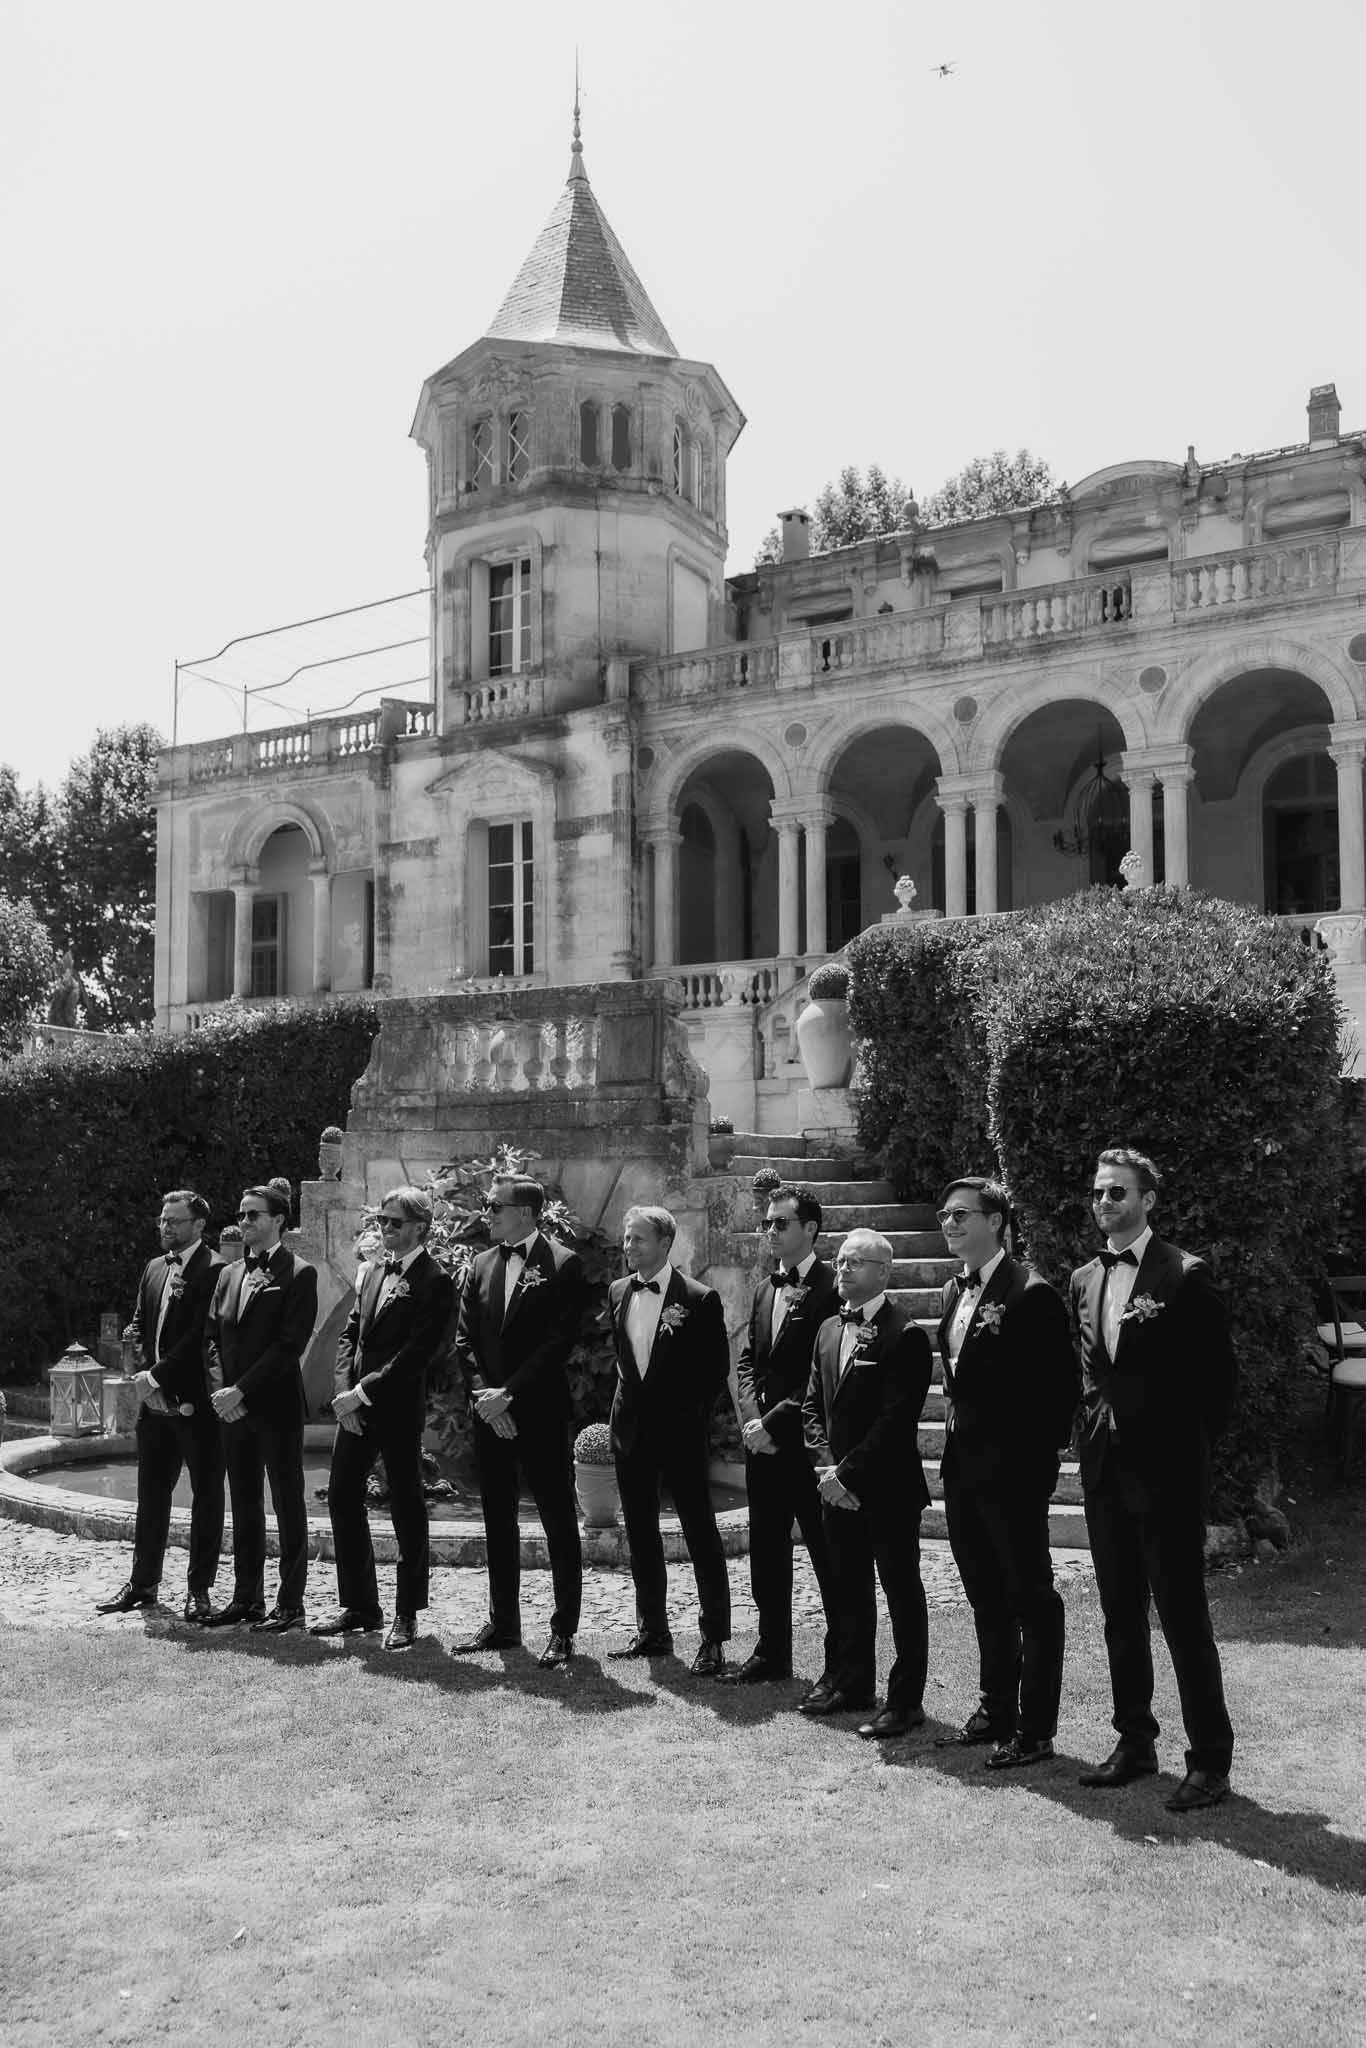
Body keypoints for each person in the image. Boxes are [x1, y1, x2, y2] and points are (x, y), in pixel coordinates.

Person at [1070, 1148, 1238, 1813]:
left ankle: (1210, 1761)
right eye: (1098, 1193)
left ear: (1148, 1200)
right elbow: (1091, 1372)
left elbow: (1218, 1384)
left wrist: (1184, 1453)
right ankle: (1134, 1741)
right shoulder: (1084, 1278)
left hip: (1167, 1476)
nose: (1104, 1202)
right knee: (1119, 1613)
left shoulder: (1186, 1276)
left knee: (1182, 1618)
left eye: (1118, 1192)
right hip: (1104, 1472)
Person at [934, 1176, 1078, 1767]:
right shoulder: (953, 1289)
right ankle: (997, 1708)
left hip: (1014, 1475)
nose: (949, 1223)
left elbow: (1059, 1392)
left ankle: (1036, 1729)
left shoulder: (1031, 1293)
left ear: (995, 1221)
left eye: (961, 1214)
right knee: (984, 1594)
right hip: (964, 1470)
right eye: (944, 1215)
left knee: (1030, 1597)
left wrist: (1032, 1470)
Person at [800, 1228, 932, 1738]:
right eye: (840, 1261)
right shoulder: (828, 1328)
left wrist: (847, 1474)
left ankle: (905, 1702)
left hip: (888, 1489)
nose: (843, 1269)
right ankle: (853, 1683)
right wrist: (825, 1469)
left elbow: (896, 1420)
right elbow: (813, 1407)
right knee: (848, 1589)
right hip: (835, 1487)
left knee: (902, 1593)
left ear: (883, 1271)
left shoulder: (906, 1333)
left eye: (855, 1262)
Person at [312, 1186, 455, 1652]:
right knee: (341, 1497)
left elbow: (418, 1353)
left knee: (406, 1505)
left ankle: (406, 1613)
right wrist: (343, 1393)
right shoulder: (372, 1271)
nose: (385, 1229)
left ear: (420, 1227)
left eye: (394, 1222)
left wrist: (362, 1393)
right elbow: (350, 1334)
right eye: (381, 1221)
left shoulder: (436, 1281)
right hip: (354, 1407)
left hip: (395, 1406)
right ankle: (360, 1606)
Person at [452, 1175, 585, 1667]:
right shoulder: (481, 1264)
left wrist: (509, 1395)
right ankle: (504, 1624)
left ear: (525, 1214)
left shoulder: (564, 1264)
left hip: (539, 1413)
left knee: (557, 1521)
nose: (486, 1213)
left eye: (494, 1206)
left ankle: (564, 1630)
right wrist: (486, 1398)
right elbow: (464, 1340)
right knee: (497, 1519)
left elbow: (558, 1342)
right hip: (489, 1415)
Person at [606, 1204, 732, 1674]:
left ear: (665, 1243)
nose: (629, 1246)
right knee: (641, 1534)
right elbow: (624, 1359)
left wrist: (684, 1418)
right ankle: (653, 1631)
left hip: (680, 1434)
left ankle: (713, 1638)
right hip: (631, 1434)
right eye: (627, 1237)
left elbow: (714, 1371)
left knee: (700, 1533)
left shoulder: (699, 1298)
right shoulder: (618, 1290)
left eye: (638, 1238)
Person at [95, 1189, 224, 1623]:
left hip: (196, 1405)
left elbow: (200, 1337)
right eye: (163, 1220)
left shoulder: (216, 1269)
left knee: (207, 1498)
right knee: (150, 1497)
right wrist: (140, 1372)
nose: (166, 1227)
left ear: (198, 1225)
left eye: (174, 1221)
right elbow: (139, 1324)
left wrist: (156, 1378)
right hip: (153, 1406)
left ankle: (199, 1590)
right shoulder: (153, 1267)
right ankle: (142, 1584)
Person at [733, 1183, 839, 1685]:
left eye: (781, 1223)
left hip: (807, 1447)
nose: (770, 1231)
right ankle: (771, 1652)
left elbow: (823, 1375)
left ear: (810, 1228)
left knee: (826, 1554)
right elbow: (748, 1360)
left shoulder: (832, 1288)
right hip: (762, 1445)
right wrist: (753, 1419)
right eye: (767, 1223)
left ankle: (840, 1663)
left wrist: (774, 1423)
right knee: (767, 1551)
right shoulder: (763, 1288)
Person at [205, 1183, 319, 1632]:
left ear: (278, 1220)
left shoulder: (300, 1273)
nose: (244, 1222)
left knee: (288, 1502)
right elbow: (212, 1340)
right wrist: (223, 1393)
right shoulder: (228, 1274)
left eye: (253, 1214)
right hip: (232, 1410)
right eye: (241, 1214)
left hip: (276, 1406)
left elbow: (289, 1346)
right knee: (244, 1502)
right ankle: (246, 1598)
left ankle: (290, 1604)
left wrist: (242, 1391)